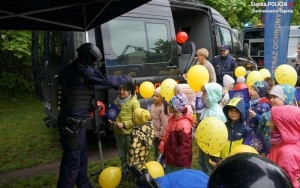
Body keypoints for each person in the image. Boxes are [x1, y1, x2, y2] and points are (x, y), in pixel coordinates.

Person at [56, 43, 133, 187]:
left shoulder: (73, 69)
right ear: (88, 58)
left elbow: (94, 85)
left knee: (81, 156)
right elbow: (104, 78)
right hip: (74, 124)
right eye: (94, 61)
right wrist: (126, 79)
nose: (95, 64)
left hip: (75, 122)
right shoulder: (82, 69)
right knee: (72, 161)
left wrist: (112, 85)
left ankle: (84, 185)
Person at [107, 81, 140, 180]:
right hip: (118, 133)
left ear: (129, 91)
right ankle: (125, 171)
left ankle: (135, 173)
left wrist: (125, 124)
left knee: (132, 154)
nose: (121, 92)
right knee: (122, 155)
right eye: (120, 89)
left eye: (124, 90)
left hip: (129, 134)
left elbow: (137, 119)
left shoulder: (134, 102)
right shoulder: (116, 102)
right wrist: (111, 120)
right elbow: (113, 115)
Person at [158, 94, 194, 174]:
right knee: (169, 176)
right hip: (171, 156)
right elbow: (167, 133)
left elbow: (185, 146)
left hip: (179, 161)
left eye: (170, 105)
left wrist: (180, 161)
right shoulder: (172, 119)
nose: (168, 107)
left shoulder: (183, 124)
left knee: (178, 178)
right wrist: (163, 145)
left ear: (175, 108)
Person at [268, 105, 300, 188]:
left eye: (272, 121)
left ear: (281, 125)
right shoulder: (280, 143)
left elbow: (284, 178)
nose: (268, 123)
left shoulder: (288, 151)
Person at [211, 97, 252, 163]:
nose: (233, 113)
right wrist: (215, 159)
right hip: (221, 161)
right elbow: (217, 143)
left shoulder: (246, 130)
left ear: (242, 112)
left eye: (236, 111)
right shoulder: (223, 126)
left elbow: (246, 149)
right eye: (231, 110)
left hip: (237, 162)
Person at [197, 83, 226, 175]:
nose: (202, 96)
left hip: (213, 146)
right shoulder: (207, 109)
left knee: (211, 166)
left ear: (211, 95)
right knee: (202, 162)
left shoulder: (217, 113)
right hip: (204, 143)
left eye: (204, 93)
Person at [258, 84, 296, 150]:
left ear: (287, 98)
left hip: (288, 154)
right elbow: (259, 134)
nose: (271, 100)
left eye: (275, 97)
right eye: (270, 97)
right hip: (267, 154)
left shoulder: (295, 118)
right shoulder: (266, 116)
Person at [245, 80, 271, 154]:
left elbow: (267, 121)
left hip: (258, 135)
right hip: (250, 133)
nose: (251, 91)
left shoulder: (264, 105)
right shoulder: (251, 102)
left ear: (260, 93)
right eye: (251, 89)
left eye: (254, 90)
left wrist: (256, 116)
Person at [149, 87, 168, 160]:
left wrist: (162, 134)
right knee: (156, 149)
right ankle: (156, 162)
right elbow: (151, 117)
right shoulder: (152, 106)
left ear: (162, 98)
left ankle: (160, 163)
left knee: (160, 150)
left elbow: (164, 122)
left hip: (160, 134)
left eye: (157, 96)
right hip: (154, 132)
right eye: (154, 95)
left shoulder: (162, 108)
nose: (154, 97)